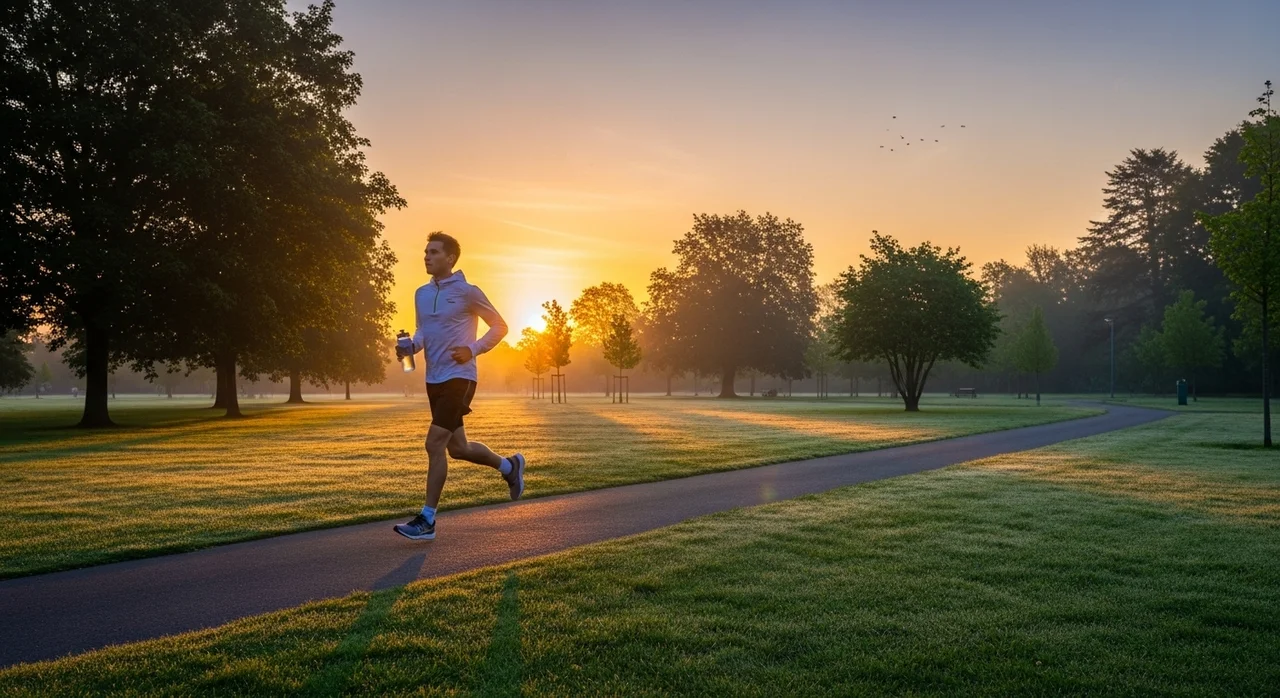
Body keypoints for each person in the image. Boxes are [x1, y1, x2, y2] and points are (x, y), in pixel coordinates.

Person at [393, 232, 526, 541]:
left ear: (450, 258)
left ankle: (427, 520)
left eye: (434, 252)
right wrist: (411, 347)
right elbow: (423, 331)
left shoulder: (468, 292)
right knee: (458, 448)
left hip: (460, 376)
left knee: (433, 444)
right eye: (425, 252)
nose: (426, 256)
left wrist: (474, 348)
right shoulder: (420, 294)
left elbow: (500, 325)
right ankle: (510, 467)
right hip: (434, 378)